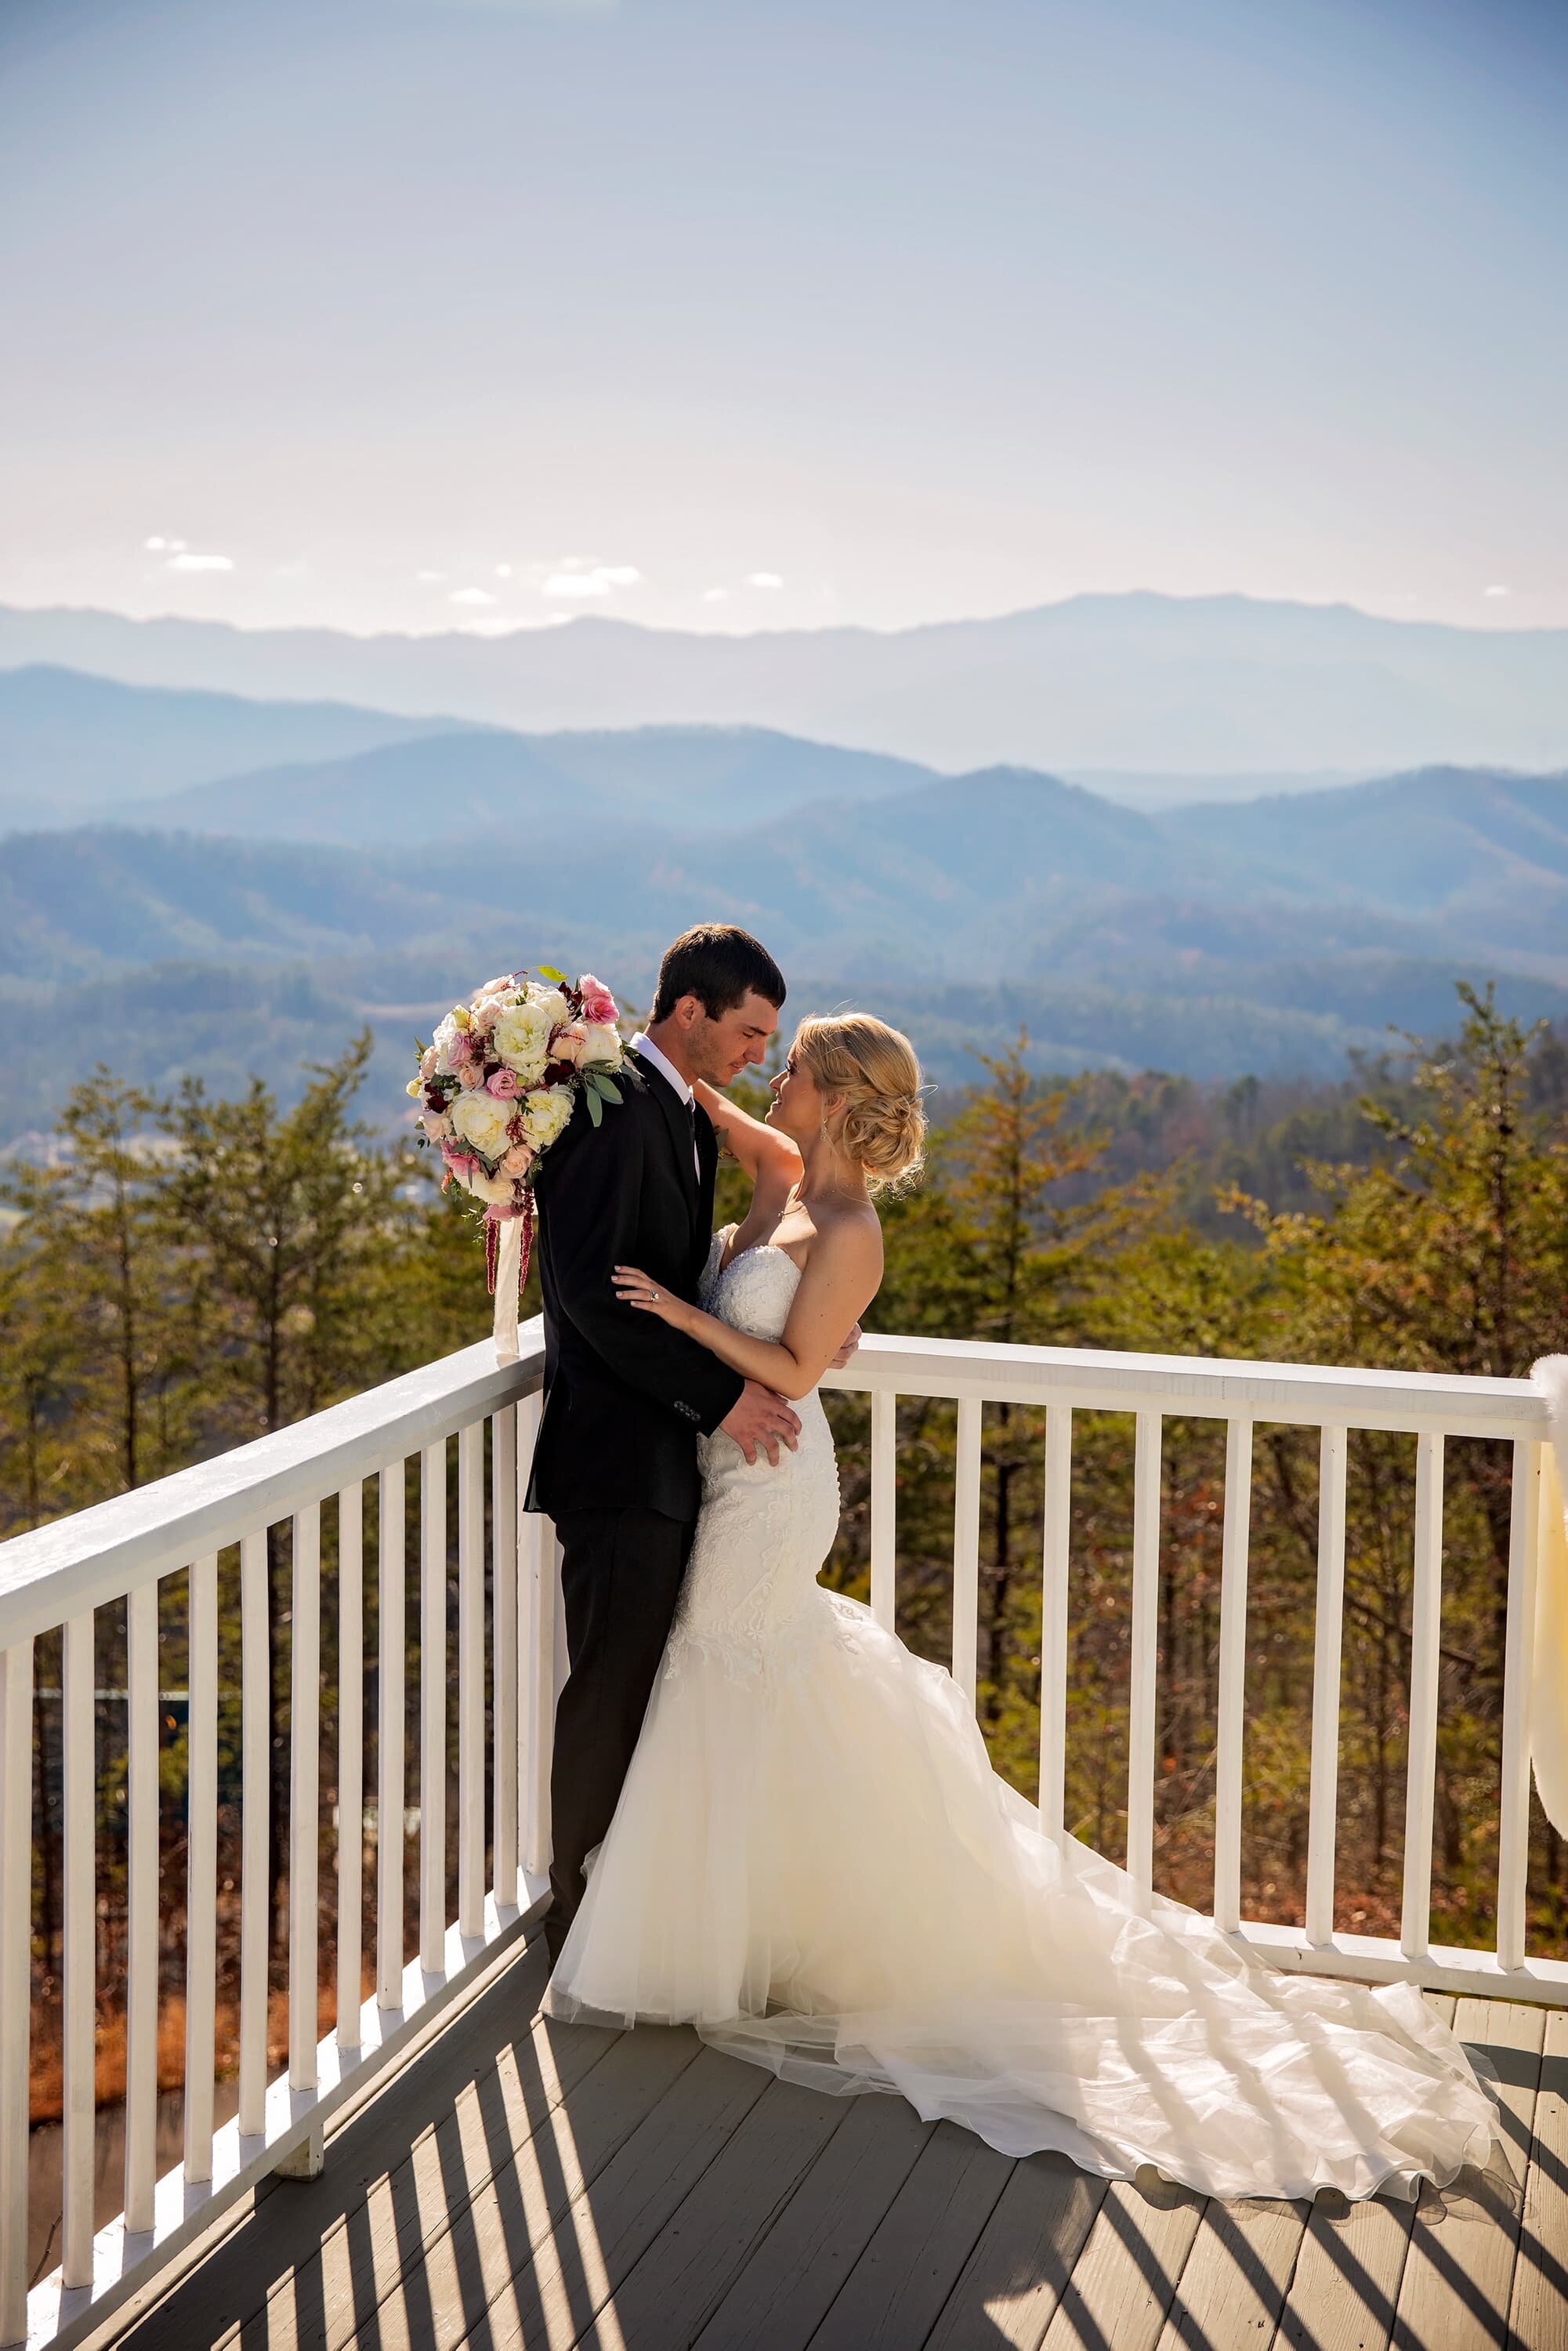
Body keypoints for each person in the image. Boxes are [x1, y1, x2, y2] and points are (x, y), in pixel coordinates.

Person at [542, 1011, 1507, 2206]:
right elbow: (697, 1104)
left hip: (772, 1482)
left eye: (792, 1065)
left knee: (722, 1667)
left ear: (838, 1097)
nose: (773, 1073)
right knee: (730, 1679)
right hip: (727, 1473)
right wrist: (570, 1059)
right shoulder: (786, 1170)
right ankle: (756, 1934)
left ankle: (721, 1945)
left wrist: (677, 1316)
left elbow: (794, 1372)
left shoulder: (850, 1228)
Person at [526, 922, 805, 1961]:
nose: (755, 1055)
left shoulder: (680, 1112)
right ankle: (572, 1912)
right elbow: (596, 1296)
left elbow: (679, 1277)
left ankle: (619, 1903)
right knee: (608, 1684)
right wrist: (719, 1401)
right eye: (747, 1031)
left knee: (645, 1682)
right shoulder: (608, 1112)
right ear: (688, 1009)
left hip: (663, 1462)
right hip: (613, 1457)